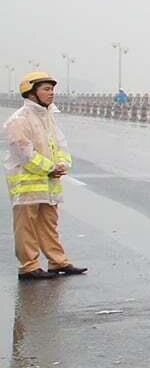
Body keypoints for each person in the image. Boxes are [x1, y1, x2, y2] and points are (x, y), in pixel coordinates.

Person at [6, 74, 84, 281]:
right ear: (31, 92)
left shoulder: (47, 118)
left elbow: (60, 145)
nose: (51, 93)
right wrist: (49, 168)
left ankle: (57, 261)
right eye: (46, 89)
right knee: (26, 226)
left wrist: (62, 164)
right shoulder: (19, 120)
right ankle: (29, 266)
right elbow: (23, 152)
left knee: (49, 224)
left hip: (48, 183)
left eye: (51, 89)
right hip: (26, 184)